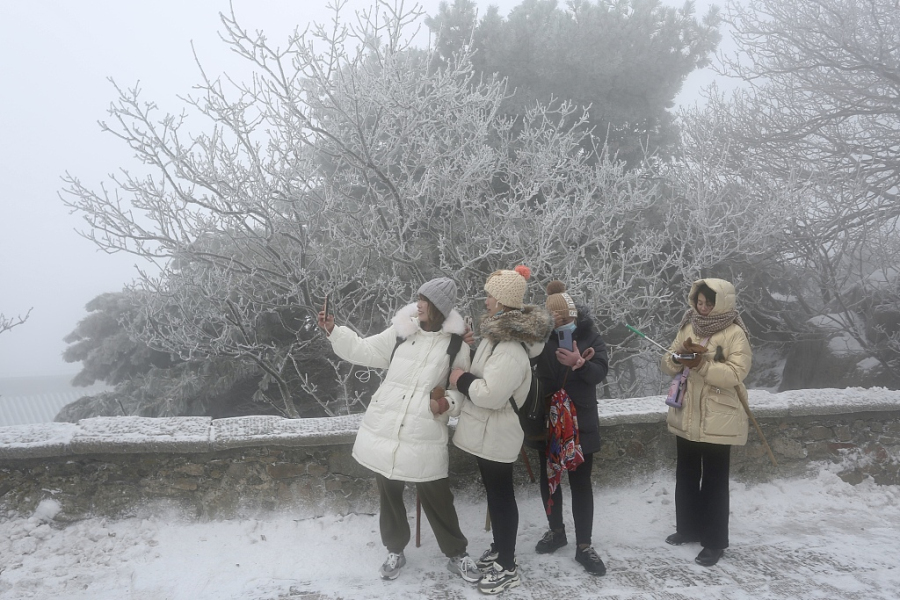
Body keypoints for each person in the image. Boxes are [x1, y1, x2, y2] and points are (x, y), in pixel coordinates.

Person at [317, 277, 481, 583]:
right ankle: (395, 549)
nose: (417, 304)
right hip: (386, 427)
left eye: (423, 301)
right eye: (418, 298)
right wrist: (333, 331)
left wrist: (446, 403)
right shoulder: (401, 333)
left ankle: (457, 553)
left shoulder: (457, 345)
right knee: (388, 492)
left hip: (424, 432)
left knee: (437, 495)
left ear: (437, 308)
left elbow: (462, 387)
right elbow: (364, 350)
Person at [448, 265, 553, 595]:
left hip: (497, 432)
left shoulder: (509, 348)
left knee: (502, 498)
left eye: (490, 295)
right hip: (486, 433)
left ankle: (507, 565)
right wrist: (466, 347)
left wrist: (460, 380)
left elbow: (490, 395)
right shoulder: (497, 339)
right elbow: (482, 372)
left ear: (505, 302)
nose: (486, 300)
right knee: (497, 496)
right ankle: (500, 549)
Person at [660, 278, 752, 567]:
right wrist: (677, 358)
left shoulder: (735, 333)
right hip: (687, 410)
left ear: (721, 303)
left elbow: (737, 373)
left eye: (708, 303)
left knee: (714, 481)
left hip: (718, 415)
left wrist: (701, 365)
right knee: (686, 474)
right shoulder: (688, 324)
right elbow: (667, 361)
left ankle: (714, 542)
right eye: (699, 302)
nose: (703, 307)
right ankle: (688, 528)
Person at [529, 280, 610, 575]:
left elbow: (600, 371)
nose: (555, 321)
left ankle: (584, 546)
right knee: (549, 477)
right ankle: (557, 532)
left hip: (581, 421)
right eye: (551, 316)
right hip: (548, 419)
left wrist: (580, 363)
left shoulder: (590, 336)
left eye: (560, 316)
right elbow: (523, 362)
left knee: (580, 482)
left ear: (571, 314)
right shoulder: (541, 338)